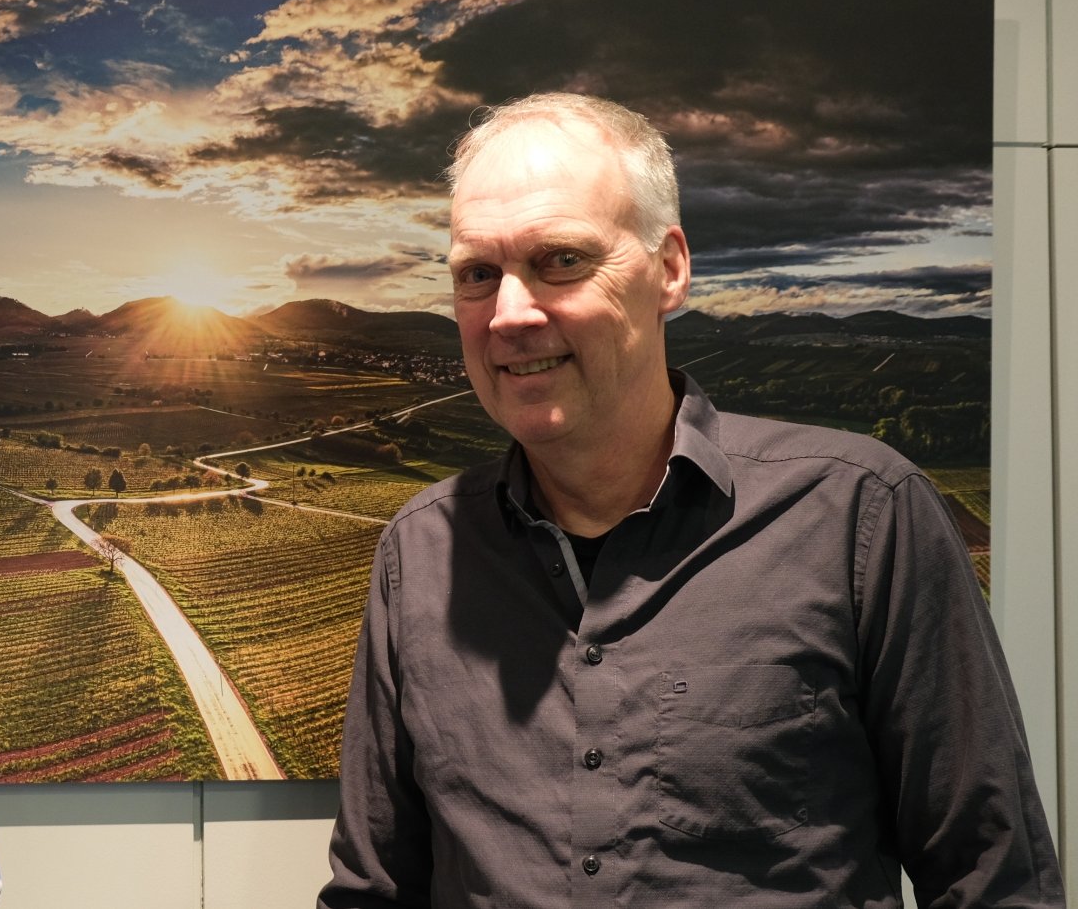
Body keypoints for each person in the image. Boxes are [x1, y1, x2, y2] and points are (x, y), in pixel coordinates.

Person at [319, 93, 1062, 907]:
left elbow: (994, 882)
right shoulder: (420, 553)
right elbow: (371, 892)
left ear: (669, 269)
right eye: (477, 274)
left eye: (561, 260)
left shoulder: (861, 516)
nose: (509, 313)